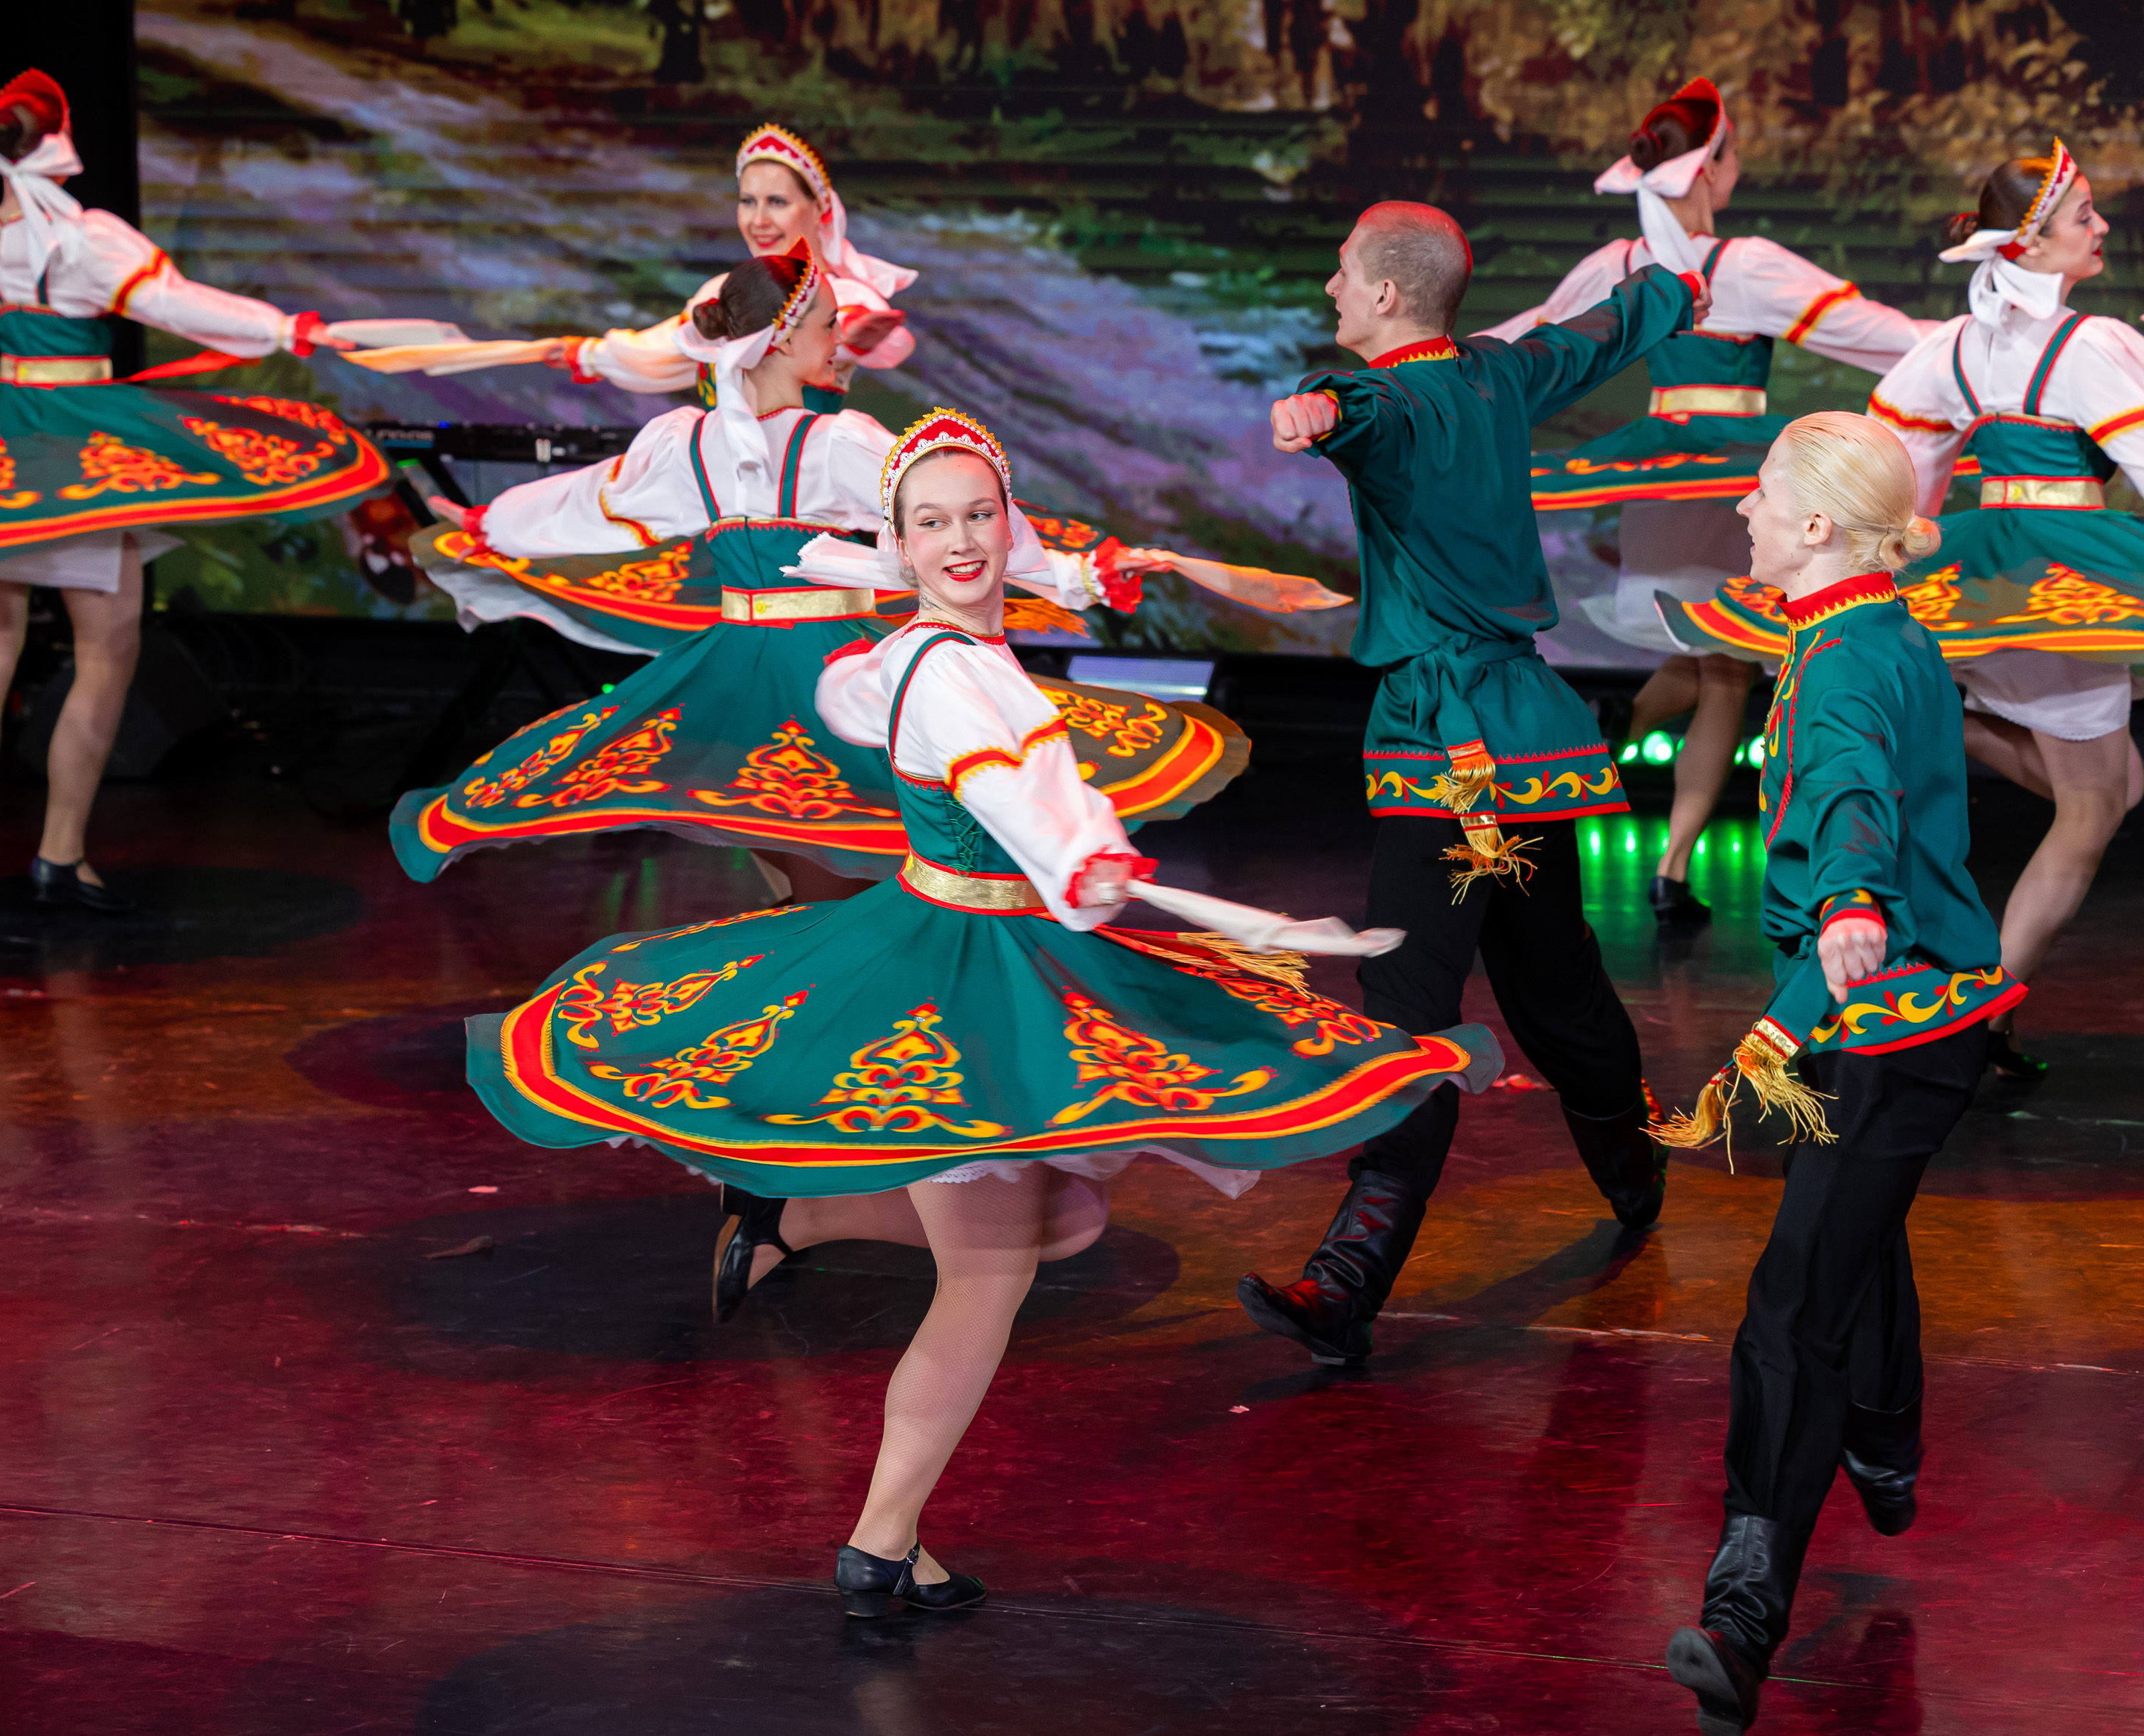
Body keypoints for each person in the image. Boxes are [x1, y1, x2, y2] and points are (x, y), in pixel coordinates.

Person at [466, 409, 1496, 1612]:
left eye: (978, 517)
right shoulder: (955, 675)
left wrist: (1094, 575)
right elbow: (1013, 793)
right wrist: (1129, 879)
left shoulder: (918, 646)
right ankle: (882, 1540)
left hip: (976, 938)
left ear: (1010, 526)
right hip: (963, 962)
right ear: (898, 544)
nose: (960, 542)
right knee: (992, 1272)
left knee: (1066, 1219)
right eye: (932, 524)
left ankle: (798, 1219)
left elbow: (905, 676)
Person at [400, 254, 1299, 903]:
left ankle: (809, 1037)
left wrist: (488, 522)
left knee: (803, 870)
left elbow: (589, 503)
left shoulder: (686, 443)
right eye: (828, 326)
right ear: (782, 339)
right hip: (820, 667)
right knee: (843, 870)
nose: (841, 342)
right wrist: (1071, 572)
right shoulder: (834, 443)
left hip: (732, 675)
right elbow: (954, 506)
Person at [1235, 201, 1712, 1367]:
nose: (1331, 288)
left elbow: (1354, 409)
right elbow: (1602, 332)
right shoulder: (1499, 372)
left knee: (1411, 1003)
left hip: (1451, 755)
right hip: (1524, 742)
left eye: (1342, 272)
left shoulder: (1385, 403)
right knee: (1553, 985)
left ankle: (1350, 1278)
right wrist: (1677, 284)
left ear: (1386, 294)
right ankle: (1629, 1164)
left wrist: (1315, 409)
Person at [1655, 413, 2018, 1736]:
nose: (1743, 511)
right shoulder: (1879, 631)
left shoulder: (1847, 661)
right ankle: (1887, 1437)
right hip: (1908, 1020)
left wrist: (1855, 894)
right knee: (1853, 1226)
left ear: (1815, 526)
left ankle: (1745, 1611)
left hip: (1891, 1025)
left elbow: (1856, 787)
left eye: (1760, 495)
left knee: (1792, 1301)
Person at [0, 70, 383, 912]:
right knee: (107, 651)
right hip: (85, 457)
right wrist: (285, 328)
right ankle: (58, 856)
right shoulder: (88, 240)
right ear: (59, 138)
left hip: (2, 446)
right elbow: (181, 307)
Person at [1482, 77, 1934, 922]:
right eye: (1732, 155)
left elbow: (1527, 342)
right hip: (1734, 486)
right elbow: (1876, 333)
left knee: (1705, 653)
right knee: (1726, 665)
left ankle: (1618, 739)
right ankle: (1671, 862)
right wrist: (1973, 353)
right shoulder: (1742, 266)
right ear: (1711, 171)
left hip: (1657, 480)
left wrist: (1421, 371)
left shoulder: (1619, 265)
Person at [1852, 141, 2144, 1083]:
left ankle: (1941, 716)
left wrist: (1902, 551)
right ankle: (1981, 1015)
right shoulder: (2088, 345)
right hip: (2064, 587)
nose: (2100, 227)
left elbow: (1895, 457)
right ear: (2029, 245)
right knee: (2092, 806)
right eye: (2082, 216)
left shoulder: (1952, 344)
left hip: (1984, 581)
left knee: (2116, 787)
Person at [542, 124, 913, 408]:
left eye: (777, 202)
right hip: (721, 473)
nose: (759, 221)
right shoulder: (722, 291)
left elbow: (873, 333)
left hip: (798, 477)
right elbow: (666, 352)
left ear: (820, 209)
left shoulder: (839, 295)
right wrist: (589, 355)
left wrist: (850, 333)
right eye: (748, 202)